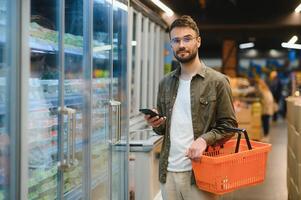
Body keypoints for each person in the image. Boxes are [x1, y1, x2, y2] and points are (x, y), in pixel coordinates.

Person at [143, 15, 238, 200]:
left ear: (198, 41)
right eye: (176, 40)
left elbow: (229, 126)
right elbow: (163, 129)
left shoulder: (218, 82)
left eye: (187, 39)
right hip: (167, 173)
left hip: (200, 174)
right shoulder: (165, 83)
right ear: (171, 44)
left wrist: (204, 140)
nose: (181, 45)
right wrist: (155, 122)